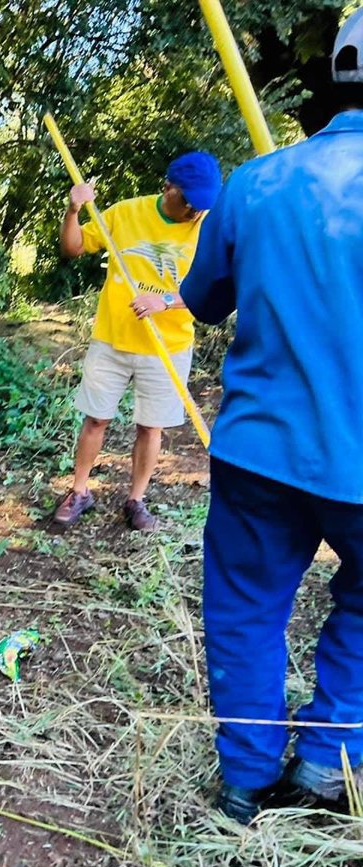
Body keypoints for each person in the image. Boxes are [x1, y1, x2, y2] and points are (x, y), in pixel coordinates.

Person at [182, 9, 363, 825]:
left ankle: (247, 780)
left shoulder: (255, 182)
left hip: (260, 456)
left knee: (247, 612)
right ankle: (328, 757)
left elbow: (204, 301)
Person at [52, 152, 223, 532]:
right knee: (95, 419)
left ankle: (136, 499)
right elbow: (74, 247)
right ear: (169, 188)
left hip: (170, 345)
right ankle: (80, 491)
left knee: (151, 427)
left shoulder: (209, 228)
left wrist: (163, 301)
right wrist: (73, 210)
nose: (196, 211)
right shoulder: (125, 213)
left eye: (203, 204)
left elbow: (216, 289)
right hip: (113, 339)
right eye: (191, 202)